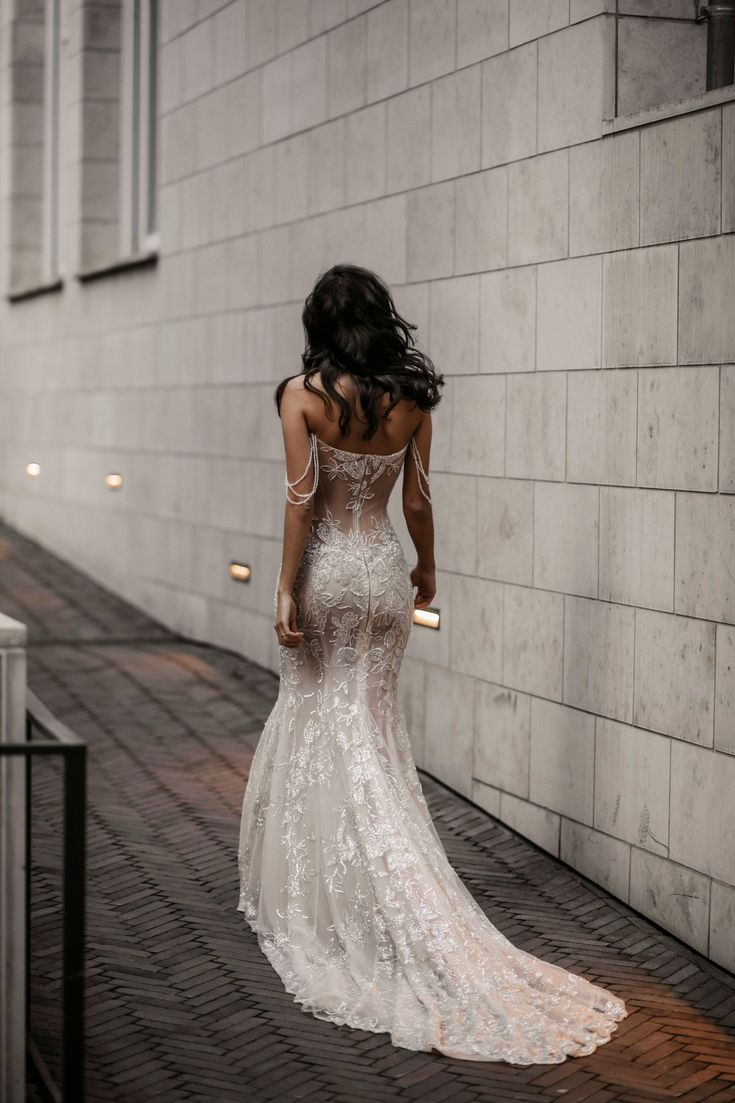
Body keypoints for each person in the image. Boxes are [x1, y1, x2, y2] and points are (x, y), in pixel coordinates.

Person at [237, 264, 627, 1063]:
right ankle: (389, 872)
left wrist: (282, 589)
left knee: (323, 714)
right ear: (381, 319)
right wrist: (426, 570)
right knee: (370, 722)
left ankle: (335, 892)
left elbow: (302, 499)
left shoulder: (301, 394)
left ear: (318, 321)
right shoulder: (411, 396)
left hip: (328, 572)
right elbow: (417, 499)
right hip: (381, 570)